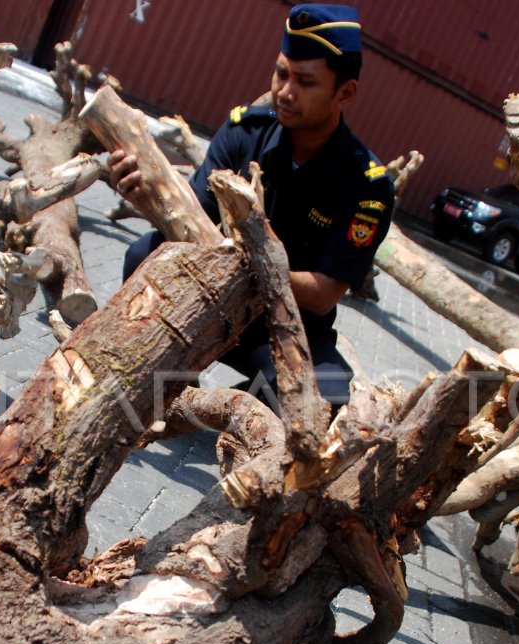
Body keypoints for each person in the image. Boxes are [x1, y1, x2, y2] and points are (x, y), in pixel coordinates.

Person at [108, 3, 394, 411]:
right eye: (281, 73)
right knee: (144, 252)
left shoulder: (365, 186)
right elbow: (191, 216)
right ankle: (162, 378)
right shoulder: (246, 132)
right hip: (209, 301)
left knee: (325, 401)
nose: (285, 91)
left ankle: (238, 403)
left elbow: (322, 295)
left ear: (344, 92)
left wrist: (247, 263)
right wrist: (144, 196)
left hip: (281, 323)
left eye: (305, 82)